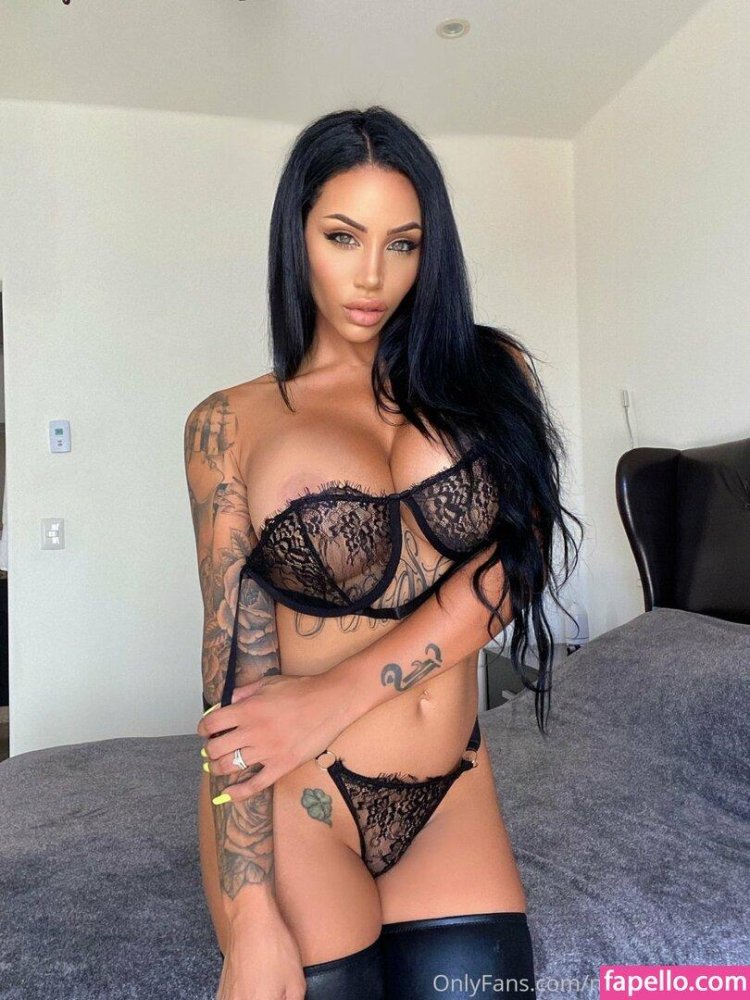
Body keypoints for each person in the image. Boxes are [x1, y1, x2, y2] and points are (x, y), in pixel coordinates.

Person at [184, 106, 583, 1000]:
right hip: (302, 797)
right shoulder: (229, 422)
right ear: (297, 238)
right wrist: (250, 921)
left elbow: (511, 570)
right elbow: (231, 675)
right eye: (343, 237)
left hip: (453, 793)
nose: (373, 276)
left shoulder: (489, 374)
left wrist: (335, 694)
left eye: (403, 244)